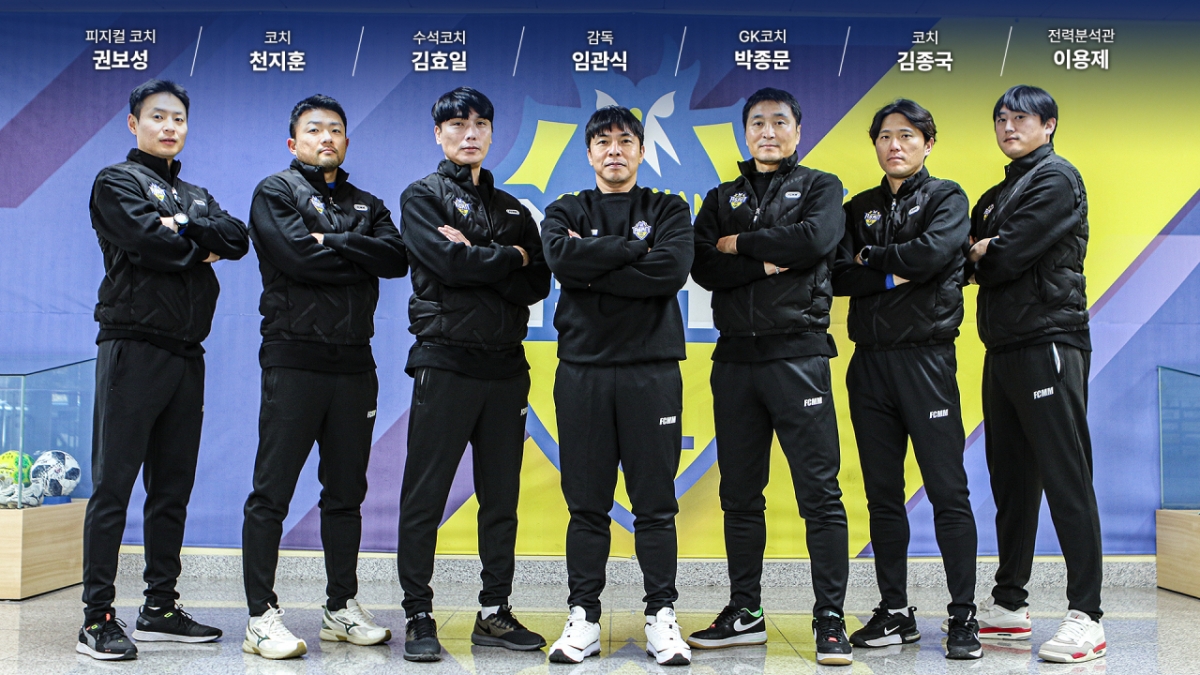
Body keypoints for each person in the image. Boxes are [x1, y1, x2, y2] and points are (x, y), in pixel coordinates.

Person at [80, 79, 248, 661]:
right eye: (157, 117)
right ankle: (96, 618)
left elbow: (236, 238)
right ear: (134, 124)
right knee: (113, 486)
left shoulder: (195, 193)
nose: (169, 127)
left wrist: (185, 227)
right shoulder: (116, 181)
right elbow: (150, 243)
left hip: (185, 352)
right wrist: (193, 242)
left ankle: (159, 608)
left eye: (178, 118)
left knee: (172, 488)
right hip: (132, 346)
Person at [687, 87, 852, 666]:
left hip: (798, 355)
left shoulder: (822, 186)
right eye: (757, 122)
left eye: (779, 122)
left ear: (797, 131)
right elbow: (703, 262)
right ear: (745, 132)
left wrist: (741, 245)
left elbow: (815, 239)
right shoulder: (720, 196)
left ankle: (830, 618)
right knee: (739, 495)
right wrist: (767, 261)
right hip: (735, 361)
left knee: (819, 494)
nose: (768, 131)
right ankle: (745, 611)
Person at [241, 94, 407, 660]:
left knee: (345, 494)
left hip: (354, 364)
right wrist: (356, 255)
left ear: (346, 142)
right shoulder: (275, 192)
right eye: (314, 130)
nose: (326, 138)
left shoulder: (368, 203)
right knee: (272, 492)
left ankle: (341, 607)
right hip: (293, 358)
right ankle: (260, 616)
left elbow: (395, 259)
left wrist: (333, 241)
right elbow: (296, 258)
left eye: (335, 130)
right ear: (294, 142)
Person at [396, 87, 550, 662]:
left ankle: (494, 612)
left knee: (501, 498)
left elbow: (537, 283)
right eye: (458, 125)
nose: (470, 133)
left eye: (480, 124)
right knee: (425, 496)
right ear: (438, 134)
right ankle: (418, 613)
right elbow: (448, 264)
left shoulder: (513, 209)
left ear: (490, 133)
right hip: (445, 360)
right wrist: (509, 256)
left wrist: (483, 256)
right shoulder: (422, 197)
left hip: (506, 368)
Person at [540, 105, 694, 666]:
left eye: (625, 140)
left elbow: (670, 271)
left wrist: (593, 267)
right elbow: (561, 260)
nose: (614, 150)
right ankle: (583, 617)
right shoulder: (565, 209)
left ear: (641, 151)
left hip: (651, 371)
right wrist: (633, 250)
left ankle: (661, 617)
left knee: (655, 504)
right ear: (589, 153)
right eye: (603, 141)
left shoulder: (669, 208)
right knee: (586, 505)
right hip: (582, 371)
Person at [833, 99, 980, 660]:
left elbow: (935, 255)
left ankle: (963, 615)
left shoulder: (947, 197)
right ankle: (895, 611)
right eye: (885, 137)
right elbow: (839, 276)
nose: (895, 145)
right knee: (882, 495)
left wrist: (874, 259)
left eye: (907, 136)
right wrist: (896, 271)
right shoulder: (858, 207)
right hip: (869, 364)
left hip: (927, 360)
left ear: (928, 143)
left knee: (948, 491)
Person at [965, 84, 1104, 664]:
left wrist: (987, 250)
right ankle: (1010, 605)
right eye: (1001, 118)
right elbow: (965, 258)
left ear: (1048, 125)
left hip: (1050, 341)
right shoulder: (995, 195)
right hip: (1002, 347)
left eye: (1021, 117)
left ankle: (1087, 616)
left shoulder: (1056, 179)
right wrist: (980, 249)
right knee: (1012, 481)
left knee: (1065, 475)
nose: (1008, 126)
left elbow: (1003, 256)